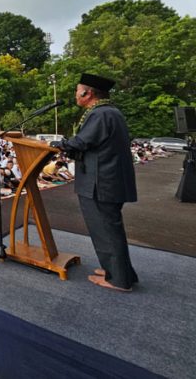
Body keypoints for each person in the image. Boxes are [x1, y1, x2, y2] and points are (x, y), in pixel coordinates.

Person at [53, 73, 138, 292]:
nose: (75, 94)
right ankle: (118, 271)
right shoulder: (110, 112)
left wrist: (60, 144)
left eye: (77, 90)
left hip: (100, 182)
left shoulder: (100, 114)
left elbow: (81, 142)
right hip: (106, 179)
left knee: (106, 230)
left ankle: (119, 280)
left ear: (87, 93)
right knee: (110, 229)